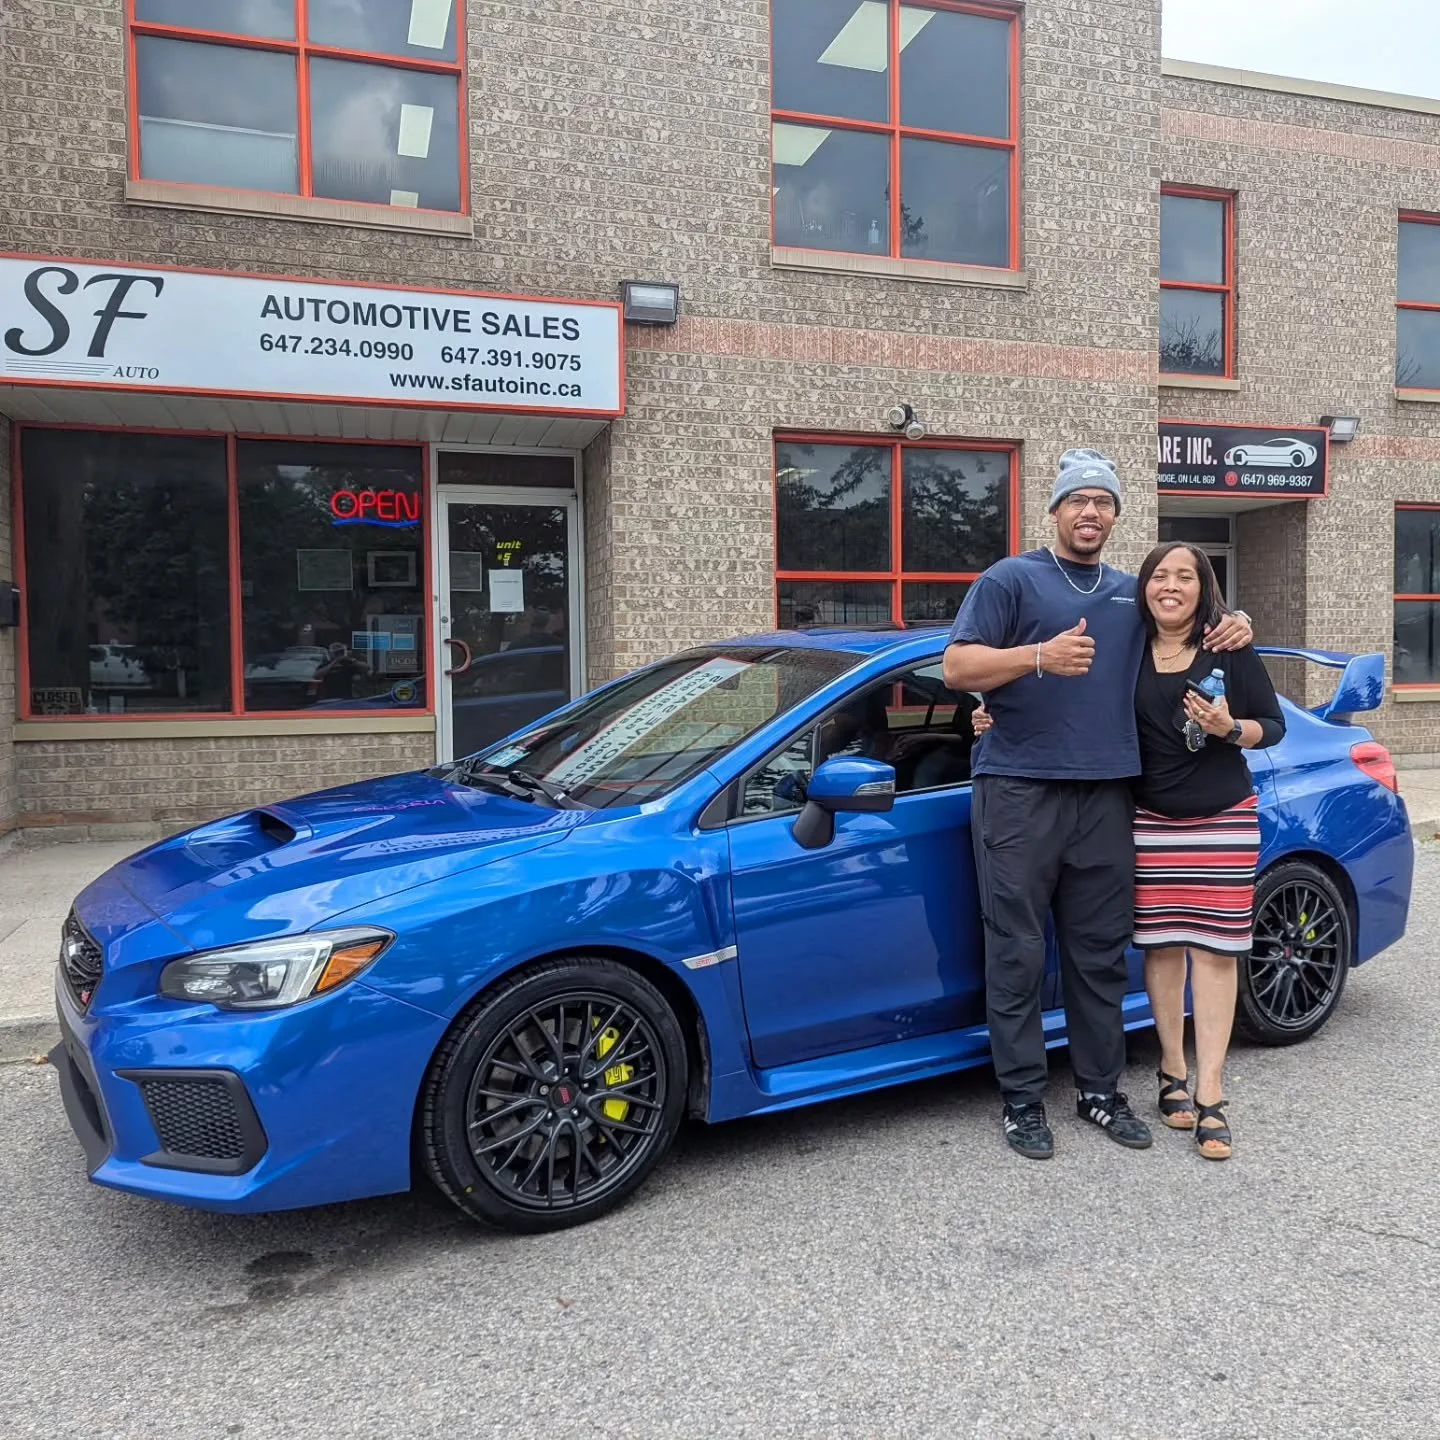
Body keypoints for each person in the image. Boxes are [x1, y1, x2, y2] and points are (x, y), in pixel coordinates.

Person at [941, 450, 1252, 1160]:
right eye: (1077, 501)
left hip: (1110, 794)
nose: (1090, 513)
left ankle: (1100, 1092)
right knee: (1017, 952)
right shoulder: (1009, 579)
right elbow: (958, 668)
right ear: (1053, 511)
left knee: (1098, 957)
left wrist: (1239, 621)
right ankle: (1023, 1100)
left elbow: (1188, 622)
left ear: (1116, 515)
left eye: (1103, 502)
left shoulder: (1129, 594)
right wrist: (1037, 657)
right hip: (1019, 791)